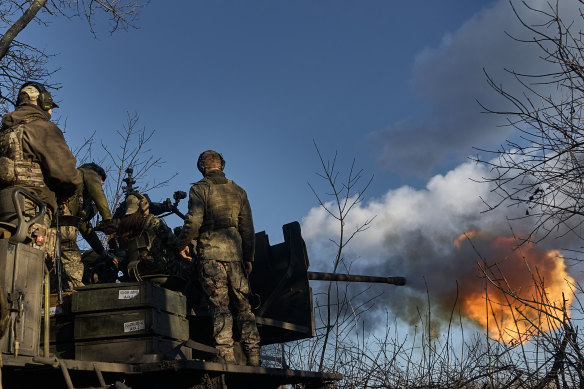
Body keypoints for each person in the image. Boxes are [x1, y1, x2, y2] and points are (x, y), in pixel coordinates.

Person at [177, 150, 260, 366]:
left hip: (211, 255)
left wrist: (182, 243)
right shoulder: (239, 191)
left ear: (202, 167)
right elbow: (247, 227)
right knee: (244, 306)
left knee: (220, 307)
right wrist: (248, 256)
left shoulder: (200, 189)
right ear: (221, 165)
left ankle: (227, 356)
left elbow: (194, 222)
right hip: (235, 255)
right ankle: (254, 355)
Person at [0, 81, 81, 262]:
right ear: (42, 102)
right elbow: (68, 176)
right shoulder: (43, 129)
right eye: (50, 106)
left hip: (4, 211)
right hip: (32, 212)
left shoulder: (4, 133)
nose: (51, 111)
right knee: (30, 272)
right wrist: (66, 194)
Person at [59, 162, 117, 290]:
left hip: (54, 223)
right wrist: (108, 220)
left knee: (55, 266)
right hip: (63, 221)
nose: (102, 184)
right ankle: (76, 293)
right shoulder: (88, 172)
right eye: (101, 180)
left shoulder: (78, 198)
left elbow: (86, 229)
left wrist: (102, 253)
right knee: (71, 257)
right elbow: (98, 192)